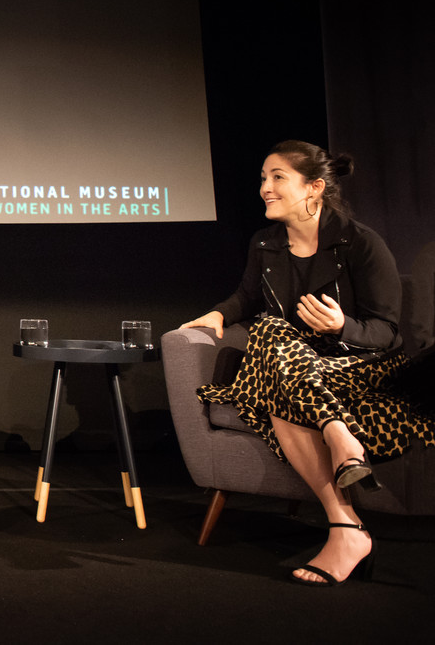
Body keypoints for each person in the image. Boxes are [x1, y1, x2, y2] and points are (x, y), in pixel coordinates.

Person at [182, 141, 435, 586]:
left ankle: (346, 519)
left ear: (314, 188)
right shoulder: (265, 243)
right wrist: (221, 313)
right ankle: (343, 481)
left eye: (278, 177)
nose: (265, 188)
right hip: (299, 370)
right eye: (263, 177)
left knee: (272, 355)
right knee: (270, 330)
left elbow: (388, 333)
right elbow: (248, 296)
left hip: (359, 368)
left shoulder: (360, 243)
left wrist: (342, 327)